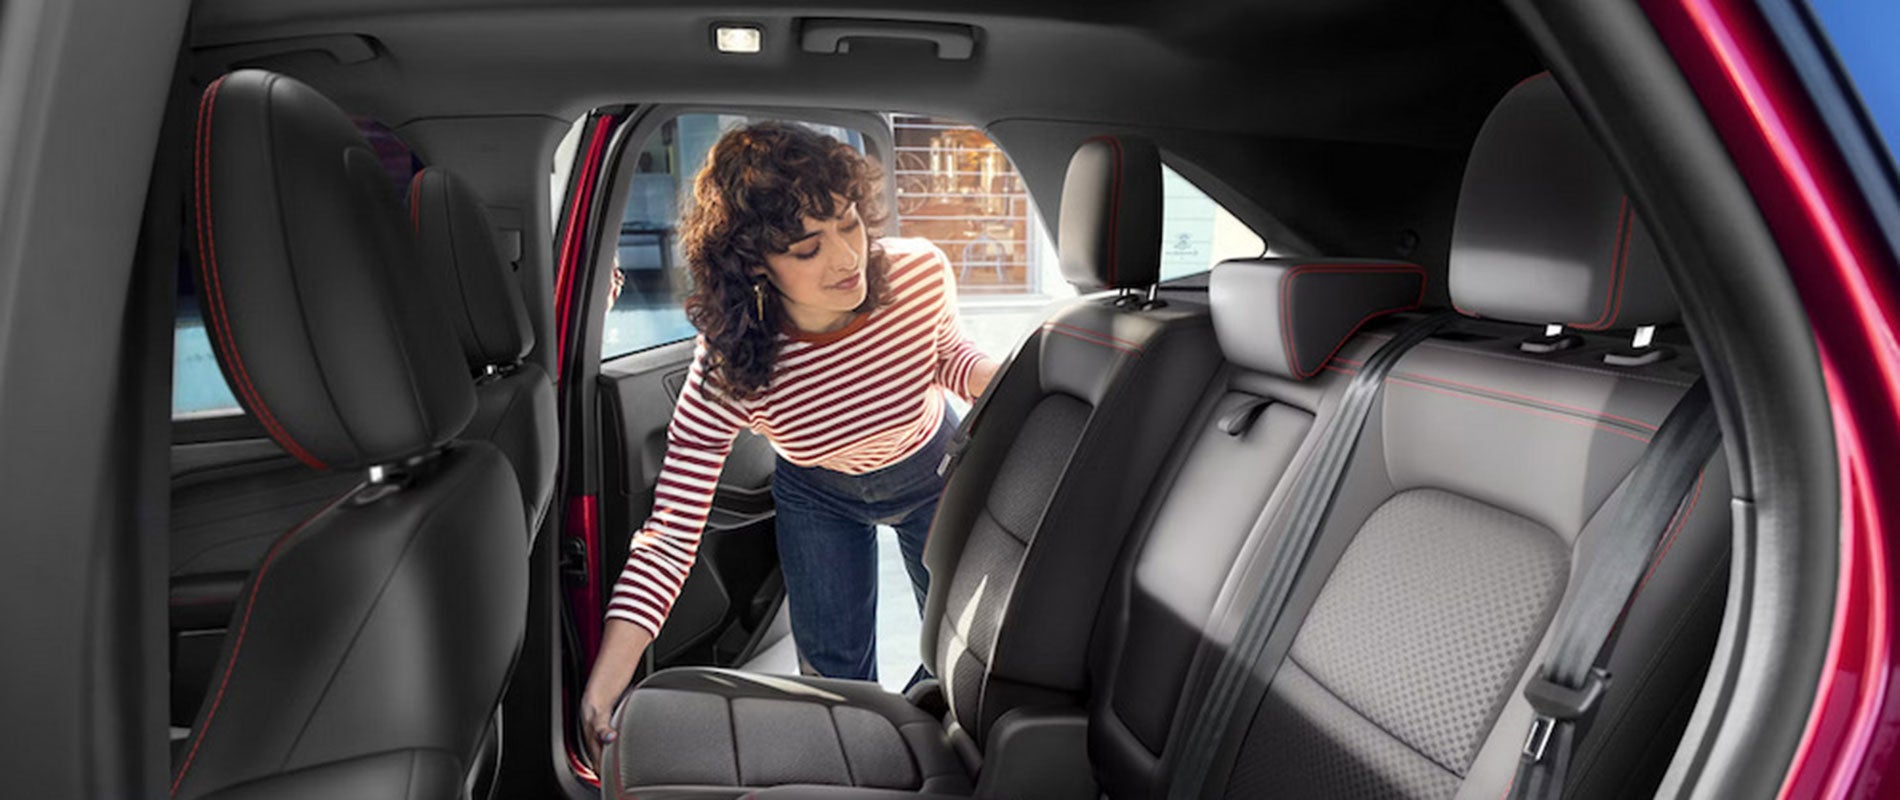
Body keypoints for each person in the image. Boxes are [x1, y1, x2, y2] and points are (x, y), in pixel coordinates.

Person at [580, 121, 1000, 763]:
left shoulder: (917, 273)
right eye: (807, 246)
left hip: (930, 471)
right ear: (754, 262)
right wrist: (605, 685)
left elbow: (943, 354)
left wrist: (1000, 384)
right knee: (832, 685)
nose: (846, 258)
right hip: (816, 493)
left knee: (954, 654)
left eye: (849, 223)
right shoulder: (730, 363)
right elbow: (671, 531)